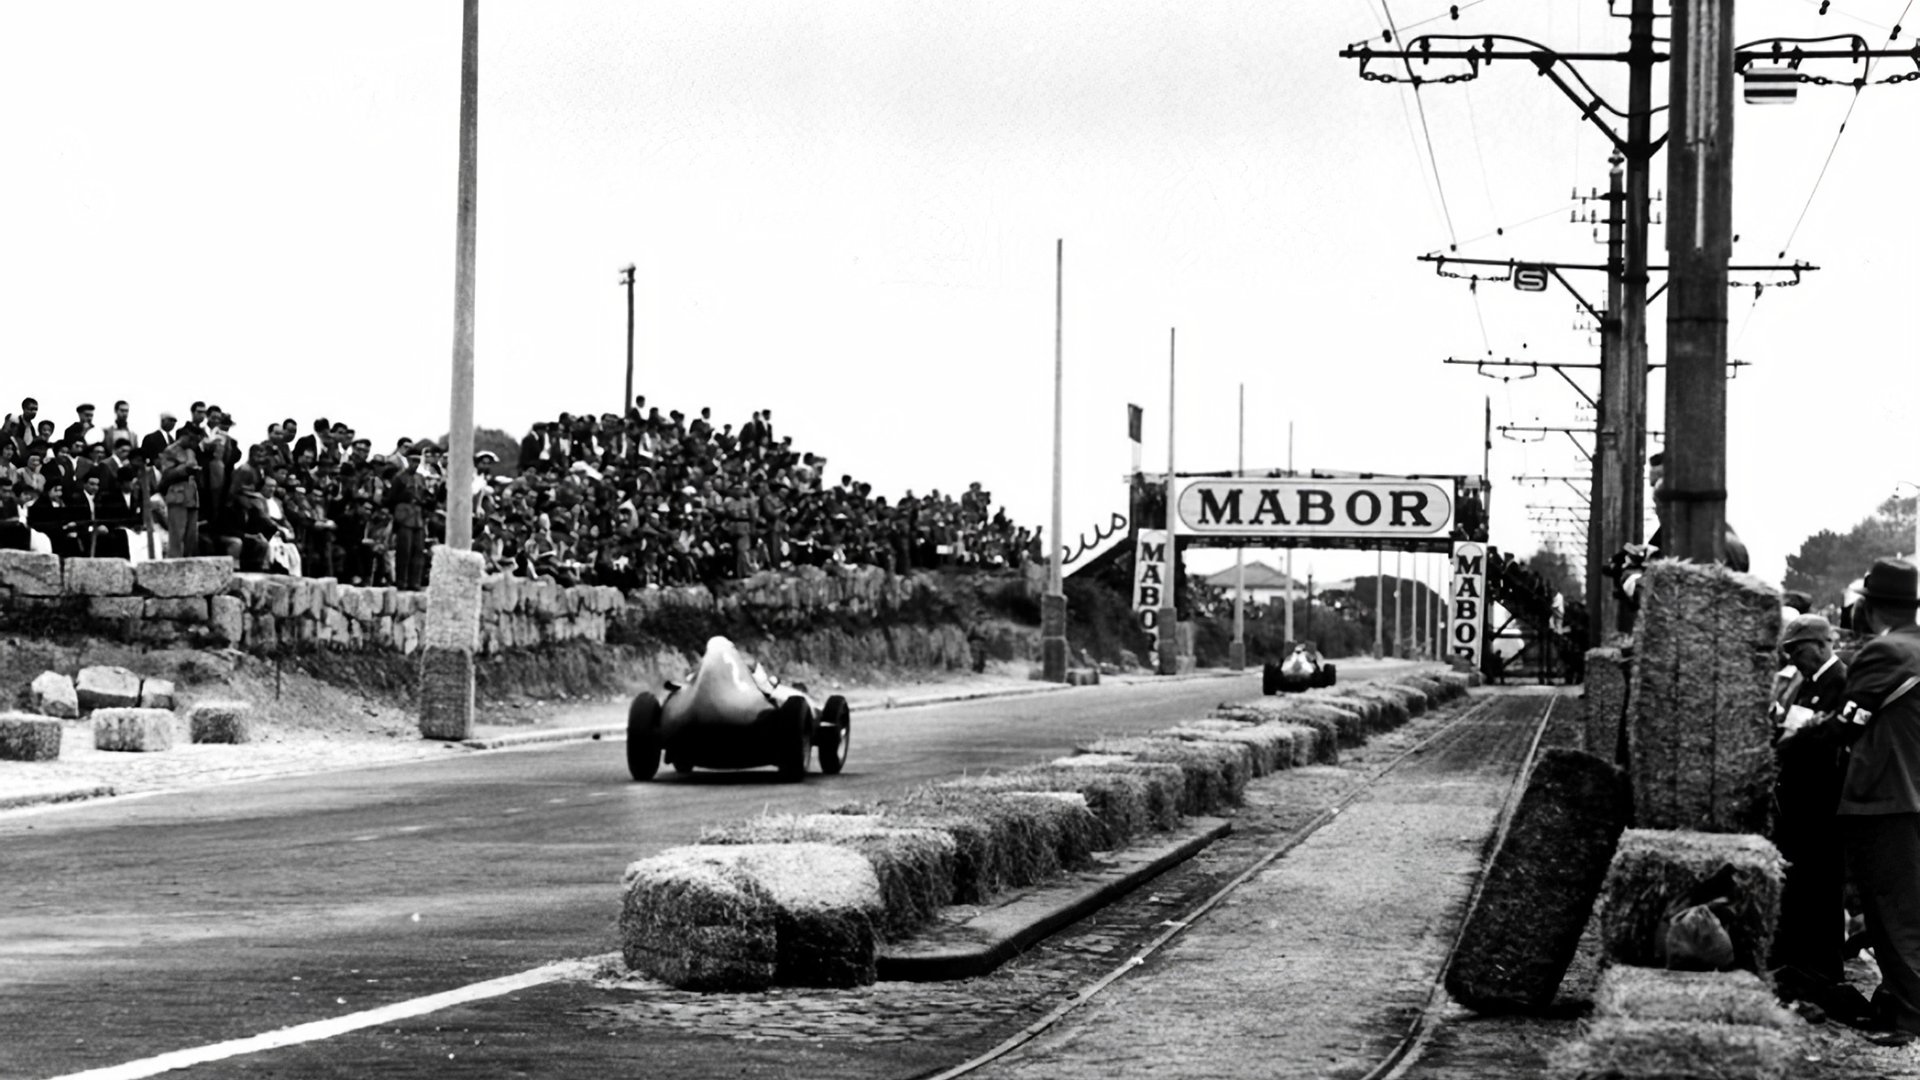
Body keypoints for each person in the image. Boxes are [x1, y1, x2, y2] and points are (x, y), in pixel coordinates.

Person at [1836, 557, 1920, 1045]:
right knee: (1905, 907)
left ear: (1868, 607)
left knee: (1892, 912)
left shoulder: (1884, 651)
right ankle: (1893, 1002)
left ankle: (1909, 1017)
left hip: (1886, 796)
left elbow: (1847, 724)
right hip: (1911, 794)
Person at [1767, 613, 1867, 1020]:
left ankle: (1825, 970)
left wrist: (1792, 743)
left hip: (1822, 802)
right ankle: (1802, 965)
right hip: (1800, 799)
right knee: (1802, 884)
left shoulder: (1839, 682)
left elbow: (1827, 741)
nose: (1792, 658)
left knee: (1823, 886)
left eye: (1797, 650)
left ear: (1821, 644)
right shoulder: (1807, 684)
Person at [157, 424, 203, 558]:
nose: (195, 444)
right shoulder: (170, 451)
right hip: (177, 496)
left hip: (192, 496)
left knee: (191, 537)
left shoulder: (191, 452)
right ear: (186, 437)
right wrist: (184, 469)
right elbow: (166, 475)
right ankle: (174, 564)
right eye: (193, 440)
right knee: (177, 536)